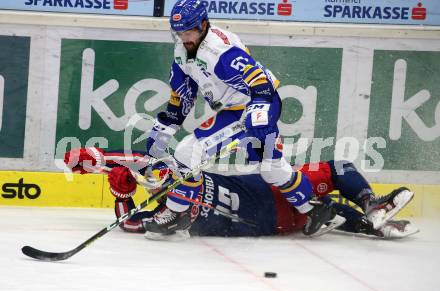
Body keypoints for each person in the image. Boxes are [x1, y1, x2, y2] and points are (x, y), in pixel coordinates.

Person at [143, 0, 326, 235]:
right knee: (271, 168)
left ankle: (177, 213)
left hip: (256, 104)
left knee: (188, 151)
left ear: (203, 25)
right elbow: (182, 95)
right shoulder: (182, 50)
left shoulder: (220, 51)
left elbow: (259, 81)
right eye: (179, 32)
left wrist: (258, 115)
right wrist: (164, 127)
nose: (184, 37)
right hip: (238, 108)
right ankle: (315, 210)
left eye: (188, 31)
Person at [63, 148, 418, 241]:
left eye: (157, 176)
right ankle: (353, 219)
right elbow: (129, 225)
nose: (155, 179)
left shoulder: (176, 173)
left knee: (337, 169)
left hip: (276, 189)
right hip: (271, 220)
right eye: (149, 181)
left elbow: (142, 160)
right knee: (328, 207)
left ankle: (373, 211)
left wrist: (99, 161)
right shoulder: (158, 212)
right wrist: (118, 190)